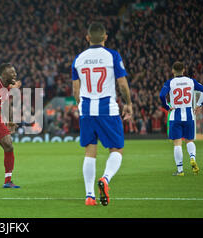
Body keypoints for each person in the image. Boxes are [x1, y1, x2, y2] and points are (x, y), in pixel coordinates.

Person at [71, 22, 133, 206]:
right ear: (106, 37)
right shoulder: (112, 56)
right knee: (117, 149)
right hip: (107, 108)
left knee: (90, 151)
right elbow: (122, 84)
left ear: (87, 38)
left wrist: (80, 106)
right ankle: (105, 179)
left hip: (87, 109)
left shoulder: (78, 59)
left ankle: (89, 196)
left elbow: (76, 90)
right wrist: (128, 104)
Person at [159, 61, 203, 176]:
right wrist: (199, 104)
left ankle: (180, 170)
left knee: (177, 143)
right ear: (184, 70)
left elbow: (161, 95)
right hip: (189, 115)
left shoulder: (170, 82)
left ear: (172, 71)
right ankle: (192, 157)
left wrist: (167, 106)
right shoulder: (190, 81)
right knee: (189, 140)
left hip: (175, 115)